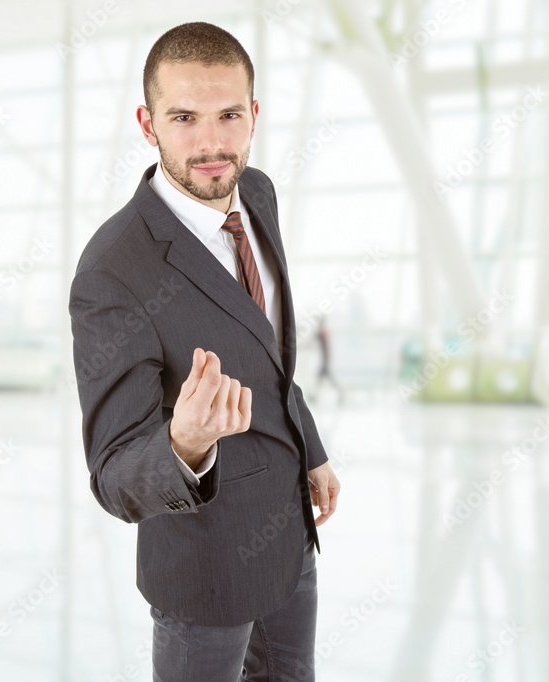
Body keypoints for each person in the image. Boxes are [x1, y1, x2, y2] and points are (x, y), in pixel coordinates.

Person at [68, 21, 340, 681]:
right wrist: (185, 443)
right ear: (148, 123)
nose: (212, 144)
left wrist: (310, 448)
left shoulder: (257, 193)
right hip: (205, 569)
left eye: (229, 116)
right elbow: (113, 474)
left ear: (255, 116)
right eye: (185, 118)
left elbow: (268, 352)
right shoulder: (114, 270)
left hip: (290, 538)